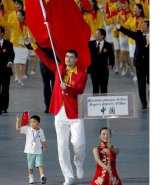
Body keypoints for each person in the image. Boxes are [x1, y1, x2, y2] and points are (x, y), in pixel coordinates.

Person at [25, 35, 87, 185]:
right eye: (66, 57)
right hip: (60, 112)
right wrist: (34, 45)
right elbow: (46, 59)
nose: (67, 59)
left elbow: (80, 90)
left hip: (75, 113)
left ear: (76, 60)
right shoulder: (59, 69)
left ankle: (78, 162)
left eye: (71, 57)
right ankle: (68, 176)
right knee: (62, 145)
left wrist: (68, 88)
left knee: (79, 143)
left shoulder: (82, 74)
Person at [113, 20, 149, 109]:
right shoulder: (138, 34)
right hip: (140, 63)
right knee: (141, 84)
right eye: (142, 25)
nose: (142, 26)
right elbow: (127, 32)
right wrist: (117, 25)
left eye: (144, 25)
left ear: (149, 27)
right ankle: (143, 103)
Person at [16, 114, 48, 184]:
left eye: (34, 122)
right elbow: (18, 128)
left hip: (38, 151)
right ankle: (31, 177)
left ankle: (42, 176)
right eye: (31, 122)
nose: (32, 123)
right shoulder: (27, 129)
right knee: (30, 166)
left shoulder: (41, 131)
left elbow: (43, 140)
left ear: (38, 123)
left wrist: (45, 147)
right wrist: (18, 119)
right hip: (29, 151)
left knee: (40, 164)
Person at [88, 29, 115, 94]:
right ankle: (95, 103)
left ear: (102, 36)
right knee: (95, 88)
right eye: (95, 33)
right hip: (94, 70)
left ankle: (104, 102)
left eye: (97, 34)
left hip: (104, 70)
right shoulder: (90, 44)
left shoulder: (108, 45)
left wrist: (111, 64)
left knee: (104, 88)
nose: (95, 35)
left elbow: (111, 56)